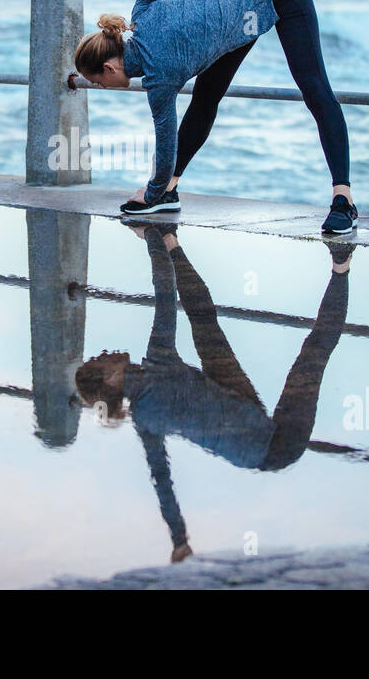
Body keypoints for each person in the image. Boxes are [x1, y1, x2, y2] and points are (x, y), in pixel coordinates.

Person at [72, 0, 357, 235]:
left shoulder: (157, 75)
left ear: (108, 67)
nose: (99, 88)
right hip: (236, 13)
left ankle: (344, 199)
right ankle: (170, 191)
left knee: (315, 89)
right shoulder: (144, 24)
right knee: (206, 98)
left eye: (96, 82)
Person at [74, 226, 351, 562]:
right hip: (275, 447)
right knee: (313, 355)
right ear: (110, 379)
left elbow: (161, 479)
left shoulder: (145, 409)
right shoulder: (156, 366)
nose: (103, 351)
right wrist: (148, 235)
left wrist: (179, 540)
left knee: (204, 321)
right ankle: (342, 265)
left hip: (229, 398)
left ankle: (171, 238)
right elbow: (164, 291)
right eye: (99, 359)